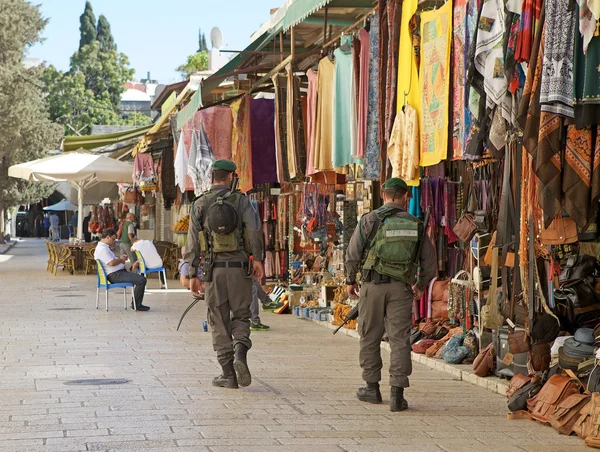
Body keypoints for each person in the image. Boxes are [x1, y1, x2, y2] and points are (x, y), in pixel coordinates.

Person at [345, 178, 436, 412]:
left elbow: (353, 253)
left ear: (383, 194)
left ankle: (372, 388)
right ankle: (397, 394)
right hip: (401, 289)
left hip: (372, 287)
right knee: (399, 339)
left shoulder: (370, 220)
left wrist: (349, 280)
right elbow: (430, 262)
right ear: (406, 196)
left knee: (369, 335)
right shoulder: (415, 224)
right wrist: (421, 285)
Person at [185, 159, 265, 389]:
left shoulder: (199, 204)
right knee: (241, 315)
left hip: (213, 271)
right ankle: (240, 352)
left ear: (212, 177)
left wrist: (193, 273)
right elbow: (254, 231)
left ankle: (228, 373)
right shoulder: (241, 201)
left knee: (218, 319)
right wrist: (257, 260)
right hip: (240, 269)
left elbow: (192, 241)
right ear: (230, 177)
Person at [94, 228, 149, 311]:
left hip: (117, 273)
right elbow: (111, 263)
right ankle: (136, 305)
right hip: (115, 275)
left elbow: (110, 260)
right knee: (141, 280)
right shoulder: (102, 249)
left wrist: (119, 258)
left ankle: (136, 303)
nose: (114, 242)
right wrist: (121, 260)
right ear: (107, 237)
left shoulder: (104, 247)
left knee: (138, 277)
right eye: (113, 239)